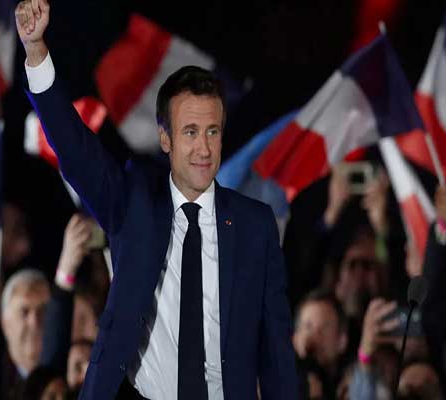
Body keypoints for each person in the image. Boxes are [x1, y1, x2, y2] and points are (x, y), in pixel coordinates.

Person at [15, 0, 297, 399]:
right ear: (166, 139)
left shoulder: (255, 224)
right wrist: (36, 52)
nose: (203, 148)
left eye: (212, 131)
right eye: (190, 132)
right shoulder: (134, 204)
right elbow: (75, 150)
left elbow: (276, 353)